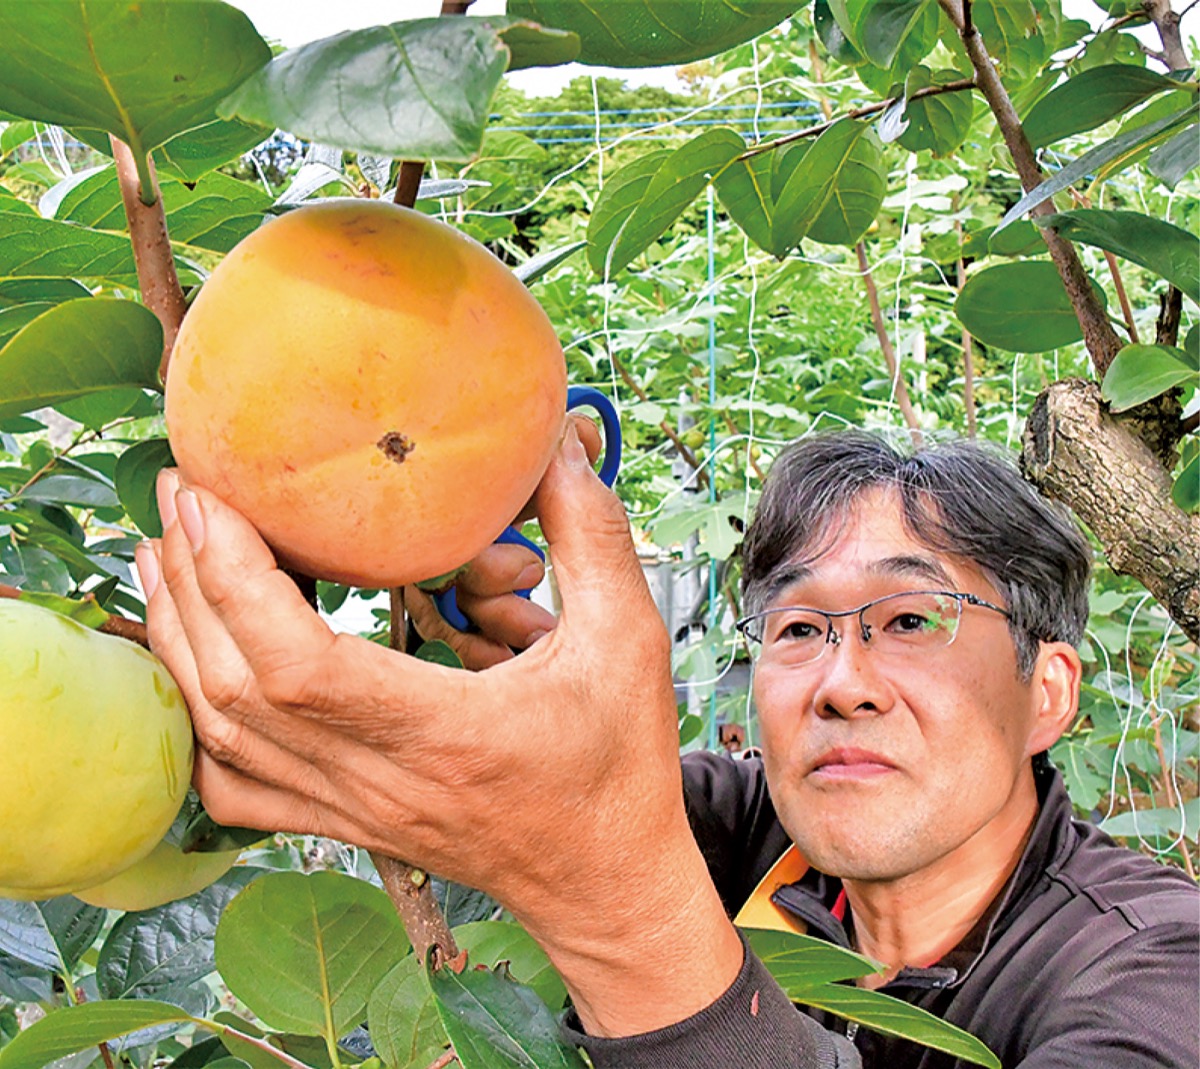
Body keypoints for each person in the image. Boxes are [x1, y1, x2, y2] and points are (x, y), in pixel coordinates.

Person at [137, 425, 1198, 1068]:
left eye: (911, 620)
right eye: (797, 628)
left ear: (1047, 692)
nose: (841, 683)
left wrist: (621, 920)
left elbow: (603, 838)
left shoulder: (1156, 972)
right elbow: (580, 782)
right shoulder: (753, 839)